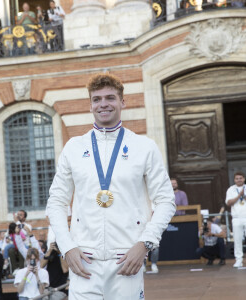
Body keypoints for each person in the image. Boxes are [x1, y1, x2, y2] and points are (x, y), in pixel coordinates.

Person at [47, 73, 176, 299]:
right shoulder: (73, 148)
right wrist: (67, 247)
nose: (103, 104)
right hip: (83, 262)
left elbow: (166, 201)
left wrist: (145, 244)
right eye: (97, 99)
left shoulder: (144, 147)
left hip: (127, 260)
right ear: (90, 105)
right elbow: (56, 202)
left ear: (122, 102)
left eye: (110, 98)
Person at [225, 171, 246, 267]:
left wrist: (244, 196)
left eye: (240, 178)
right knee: (237, 240)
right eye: (237, 178)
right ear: (234, 180)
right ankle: (238, 260)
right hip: (236, 218)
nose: (239, 180)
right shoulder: (231, 189)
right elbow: (229, 203)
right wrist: (239, 195)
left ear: (244, 179)